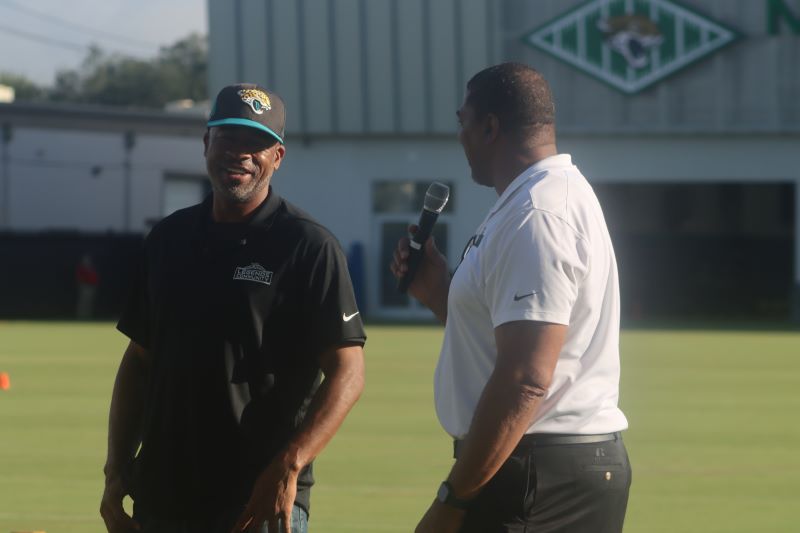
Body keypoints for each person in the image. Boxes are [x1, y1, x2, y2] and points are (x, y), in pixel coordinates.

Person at [101, 83, 366, 533]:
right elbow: (139, 361)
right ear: (207, 142)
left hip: (255, 504)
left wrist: (290, 464)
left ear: (277, 157)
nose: (240, 153)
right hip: (162, 499)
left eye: (256, 143)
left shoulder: (307, 245)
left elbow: (349, 372)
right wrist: (116, 468)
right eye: (228, 137)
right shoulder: (168, 239)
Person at [391, 63, 631, 533]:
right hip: (542, 465)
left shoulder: (539, 213)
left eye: (463, 121)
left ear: (490, 127)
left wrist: (451, 501)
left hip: (537, 472)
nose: (460, 136)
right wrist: (439, 294)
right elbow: (505, 343)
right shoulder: (536, 199)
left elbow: (526, 377)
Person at [76, 253, 99, 319]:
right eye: (85, 260)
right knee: (83, 302)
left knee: (89, 302)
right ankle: (81, 316)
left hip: (91, 287)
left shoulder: (91, 268)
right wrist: (82, 285)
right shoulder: (81, 268)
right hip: (85, 287)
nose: (87, 261)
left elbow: (95, 277)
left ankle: (88, 316)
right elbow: (79, 278)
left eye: (88, 260)